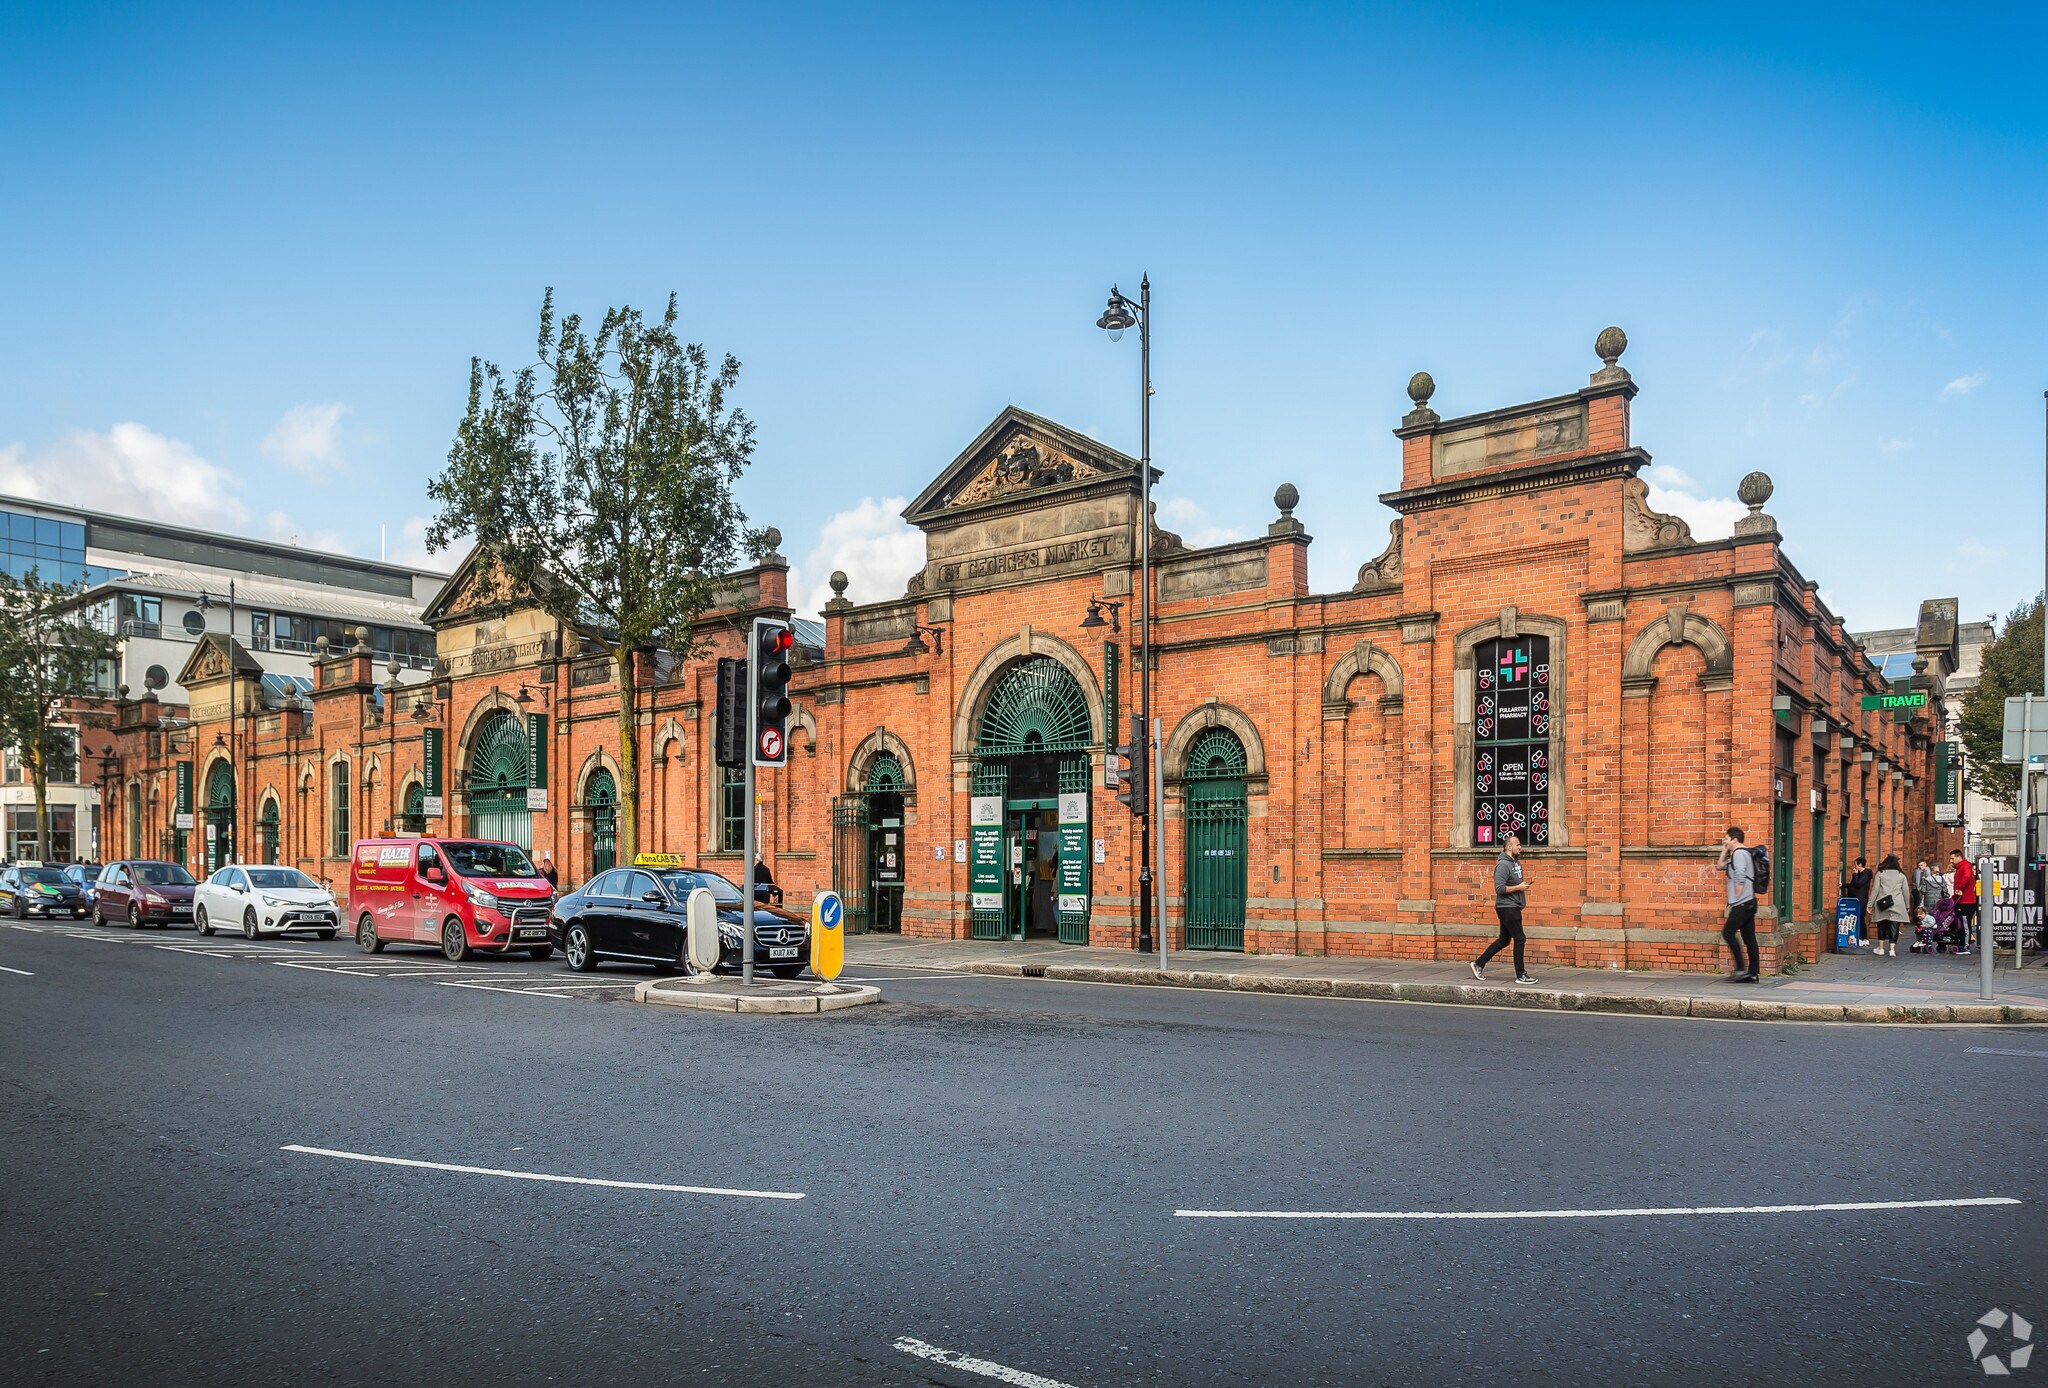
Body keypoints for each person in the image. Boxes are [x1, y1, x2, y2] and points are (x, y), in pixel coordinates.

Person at [1471, 832, 1534, 984]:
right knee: (1520, 938)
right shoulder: (1503, 865)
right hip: (1507, 907)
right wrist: (1518, 887)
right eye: (1517, 845)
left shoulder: (1515, 863)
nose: (1520, 847)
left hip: (1513, 906)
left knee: (1504, 940)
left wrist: (1520, 887)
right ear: (1509, 847)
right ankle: (1521, 975)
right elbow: (1499, 889)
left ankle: (1479, 963)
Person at [1713, 826, 1760, 982]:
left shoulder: (1739, 854)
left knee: (1728, 933)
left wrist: (1738, 895)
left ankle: (1740, 969)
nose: (1724, 841)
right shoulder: (1740, 853)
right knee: (1749, 938)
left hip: (1742, 903)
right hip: (1749, 902)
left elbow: (1740, 875)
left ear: (1735, 839)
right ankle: (1752, 973)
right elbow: (1720, 866)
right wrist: (1724, 850)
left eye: (1726, 839)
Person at [1868, 854, 1912, 958]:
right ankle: (1892, 950)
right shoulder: (1901, 875)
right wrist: (1907, 904)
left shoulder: (1880, 874)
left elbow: (1875, 890)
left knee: (1881, 925)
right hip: (1897, 903)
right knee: (1894, 926)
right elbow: (1905, 891)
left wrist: (1870, 904)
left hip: (1882, 903)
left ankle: (1881, 948)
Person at [1950, 849, 1978, 955]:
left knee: (1965, 924)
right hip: (1961, 900)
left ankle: (1965, 946)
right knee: (1961, 923)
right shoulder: (1961, 867)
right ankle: (1962, 944)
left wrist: (1960, 888)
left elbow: (1966, 877)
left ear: (1958, 857)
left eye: (1952, 858)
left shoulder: (1965, 866)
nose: (1951, 861)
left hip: (1967, 901)